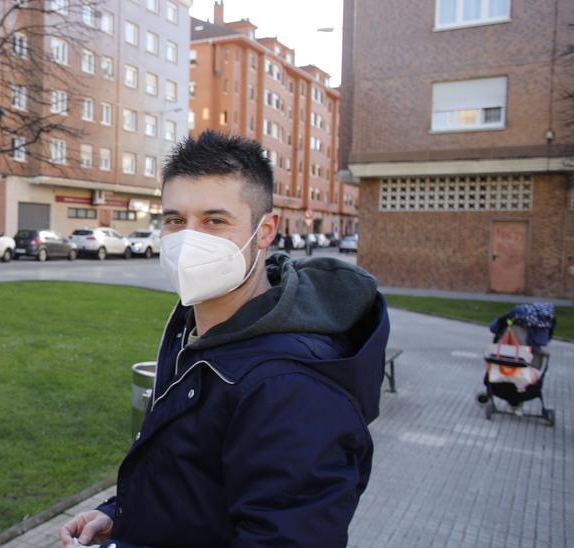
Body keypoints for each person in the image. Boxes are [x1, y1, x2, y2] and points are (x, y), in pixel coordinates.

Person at [61, 131, 389, 547]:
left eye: (214, 221)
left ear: (266, 230)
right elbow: (191, 479)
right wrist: (118, 517)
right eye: (176, 221)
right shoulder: (198, 334)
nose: (188, 240)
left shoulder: (291, 387)